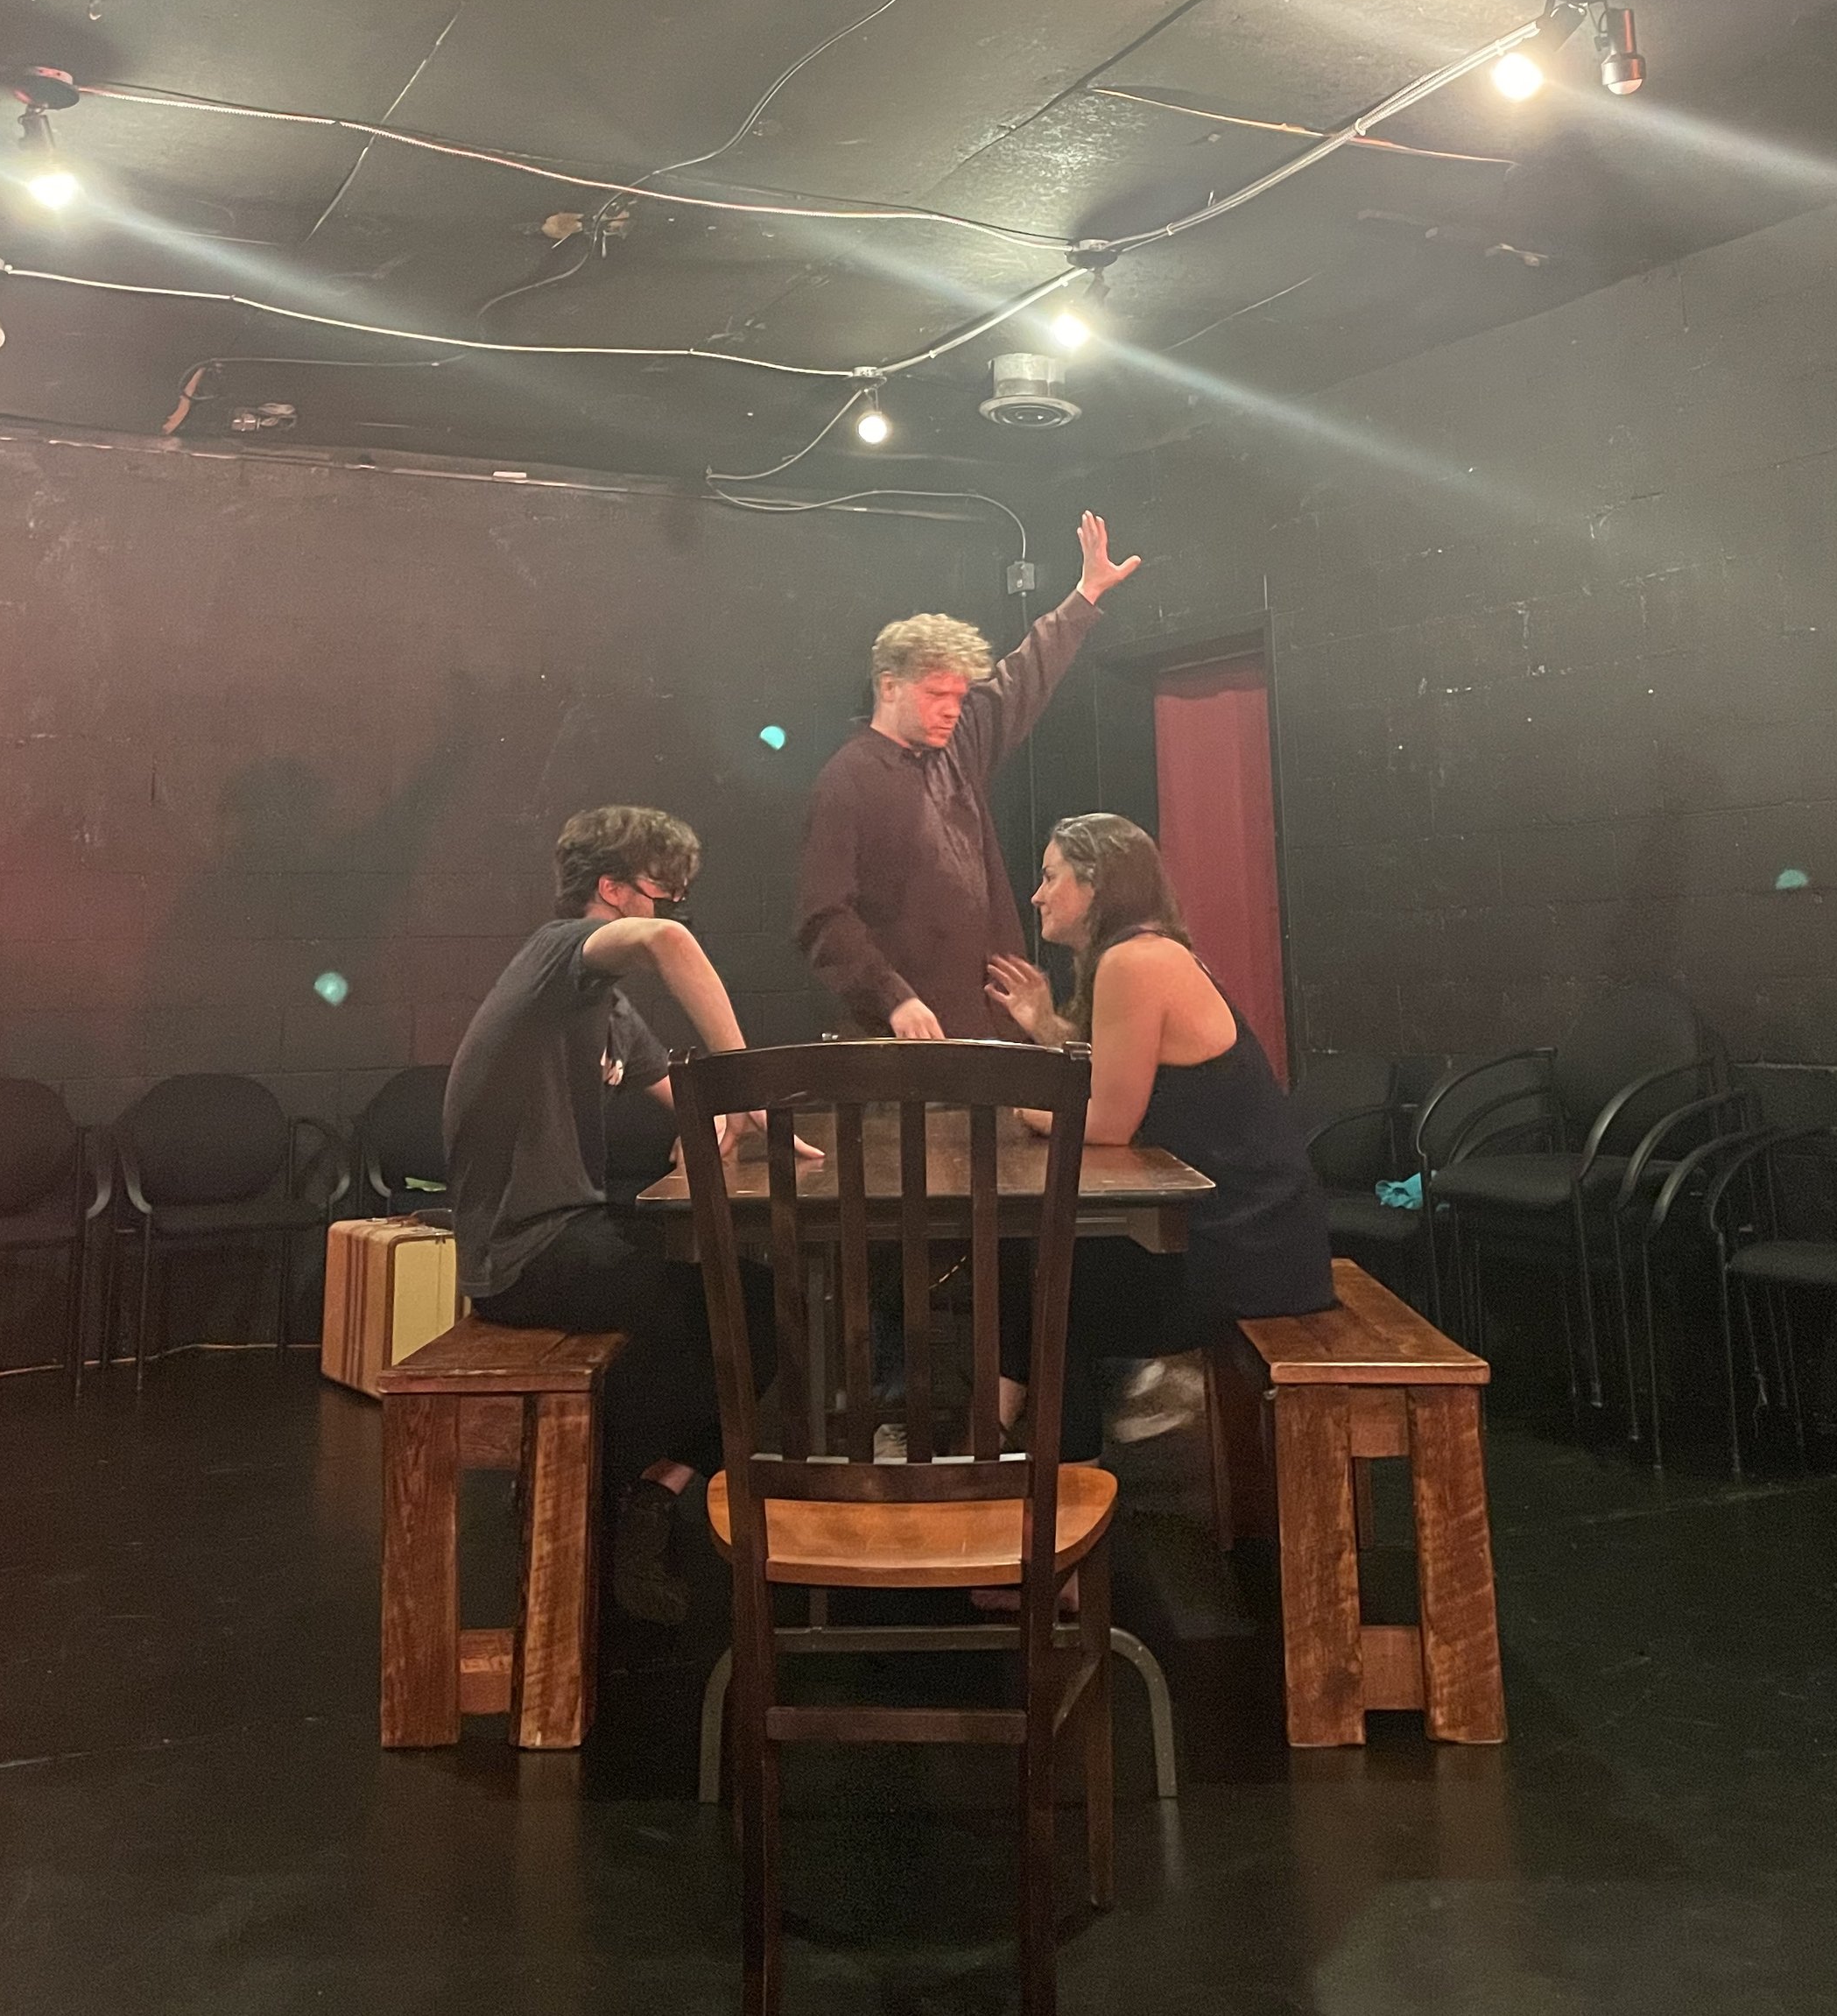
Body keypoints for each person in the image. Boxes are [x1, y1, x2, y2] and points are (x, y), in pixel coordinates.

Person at [443, 803, 774, 1625]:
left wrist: (732, 1123)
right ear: (613, 889)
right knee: (736, 1309)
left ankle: (645, 1492)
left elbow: (683, 1095)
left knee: (759, 1303)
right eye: (661, 891)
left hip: (568, 1233)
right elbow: (669, 944)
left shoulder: (605, 1007)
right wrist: (744, 1083)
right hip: (522, 1253)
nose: (668, 908)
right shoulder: (556, 954)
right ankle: (586, 1493)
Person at [985, 813, 1334, 1463]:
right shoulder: (1144, 952)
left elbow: (1109, 1124)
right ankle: (995, 1444)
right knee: (1031, 1260)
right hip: (1254, 1232)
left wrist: (1020, 1109)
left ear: (1095, 883)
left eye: (1050, 876)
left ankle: (1060, 1477)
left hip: (1249, 1250)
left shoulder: (1135, 961)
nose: (1037, 895)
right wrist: (1045, 1025)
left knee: (1050, 1285)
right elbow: (1114, 1076)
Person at [795, 511, 1143, 1040]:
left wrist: (1086, 594)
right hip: (908, 1036)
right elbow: (822, 916)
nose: (952, 709)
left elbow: (1023, 676)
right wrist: (893, 998)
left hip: (988, 1024)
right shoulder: (847, 781)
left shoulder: (957, 743)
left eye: (959, 696)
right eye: (936, 694)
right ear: (888, 687)